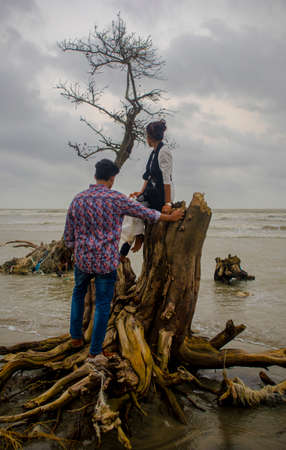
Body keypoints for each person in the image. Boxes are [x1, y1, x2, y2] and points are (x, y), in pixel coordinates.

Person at [64, 158, 183, 366]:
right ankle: (94, 352)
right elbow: (146, 213)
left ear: (95, 176)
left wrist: (77, 249)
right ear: (112, 179)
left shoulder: (78, 199)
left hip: (82, 260)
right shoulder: (116, 199)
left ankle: (75, 337)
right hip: (105, 262)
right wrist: (171, 218)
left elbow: (68, 236)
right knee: (102, 304)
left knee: (78, 293)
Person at [120, 119, 174, 257]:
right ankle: (133, 240)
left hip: (161, 195)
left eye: (146, 136)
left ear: (150, 137)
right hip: (151, 192)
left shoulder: (164, 151)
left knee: (134, 208)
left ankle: (134, 241)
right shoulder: (153, 152)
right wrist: (141, 192)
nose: (146, 139)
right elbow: (148, 177)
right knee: (131, 207)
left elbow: (167, 179)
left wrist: (168, 203)